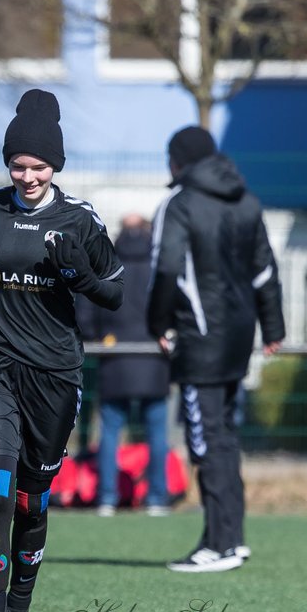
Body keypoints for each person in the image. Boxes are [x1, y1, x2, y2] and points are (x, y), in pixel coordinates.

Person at [0, 89, 124, 612]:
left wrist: (78, 276)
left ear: (56, 166)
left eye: (38, 166)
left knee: (30, 502)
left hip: (52, 373)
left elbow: (115, 292)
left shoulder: (79, 219)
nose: (26, 176)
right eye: (17, 165)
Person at [147, 126, 285, 573]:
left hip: (199, 339)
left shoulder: (180, 204)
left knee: (206, 442)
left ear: (179, 161)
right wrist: (273, 327)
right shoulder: (246, 200)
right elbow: (265, 270)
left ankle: (220, 545)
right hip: (238, 337)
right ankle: (231, 538)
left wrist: (158, 324)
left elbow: (165, 269)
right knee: (224, 438)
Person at [80, 213, 171, 518]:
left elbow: (87, 308)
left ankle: (107, 497)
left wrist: (95, 337)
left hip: (114, 355)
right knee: (156, 431)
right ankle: (157, 498)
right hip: (154, 357)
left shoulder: (107, 265)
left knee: (109, 430)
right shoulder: (160, 266)